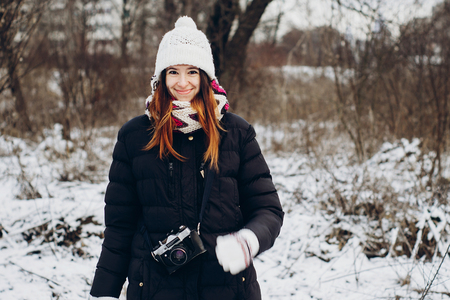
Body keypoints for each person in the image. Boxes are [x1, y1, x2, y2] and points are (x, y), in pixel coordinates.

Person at [89, 16, 283, 300]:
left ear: (205, 77)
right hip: (156, 288)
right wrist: (104, 293)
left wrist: (248, 240)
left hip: (226, 288)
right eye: (173, 72)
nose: (182, 83)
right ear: (161, 77)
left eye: (192, 71)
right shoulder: (135, 136)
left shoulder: (236, 133)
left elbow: (268, 209)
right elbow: (119, 226)